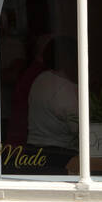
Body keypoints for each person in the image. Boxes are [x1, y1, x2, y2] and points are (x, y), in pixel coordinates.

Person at [25, 35, 78, 175]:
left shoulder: (40, 79)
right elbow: (80, 129)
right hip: (59, 157)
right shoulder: (64, 88)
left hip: (33, 152)